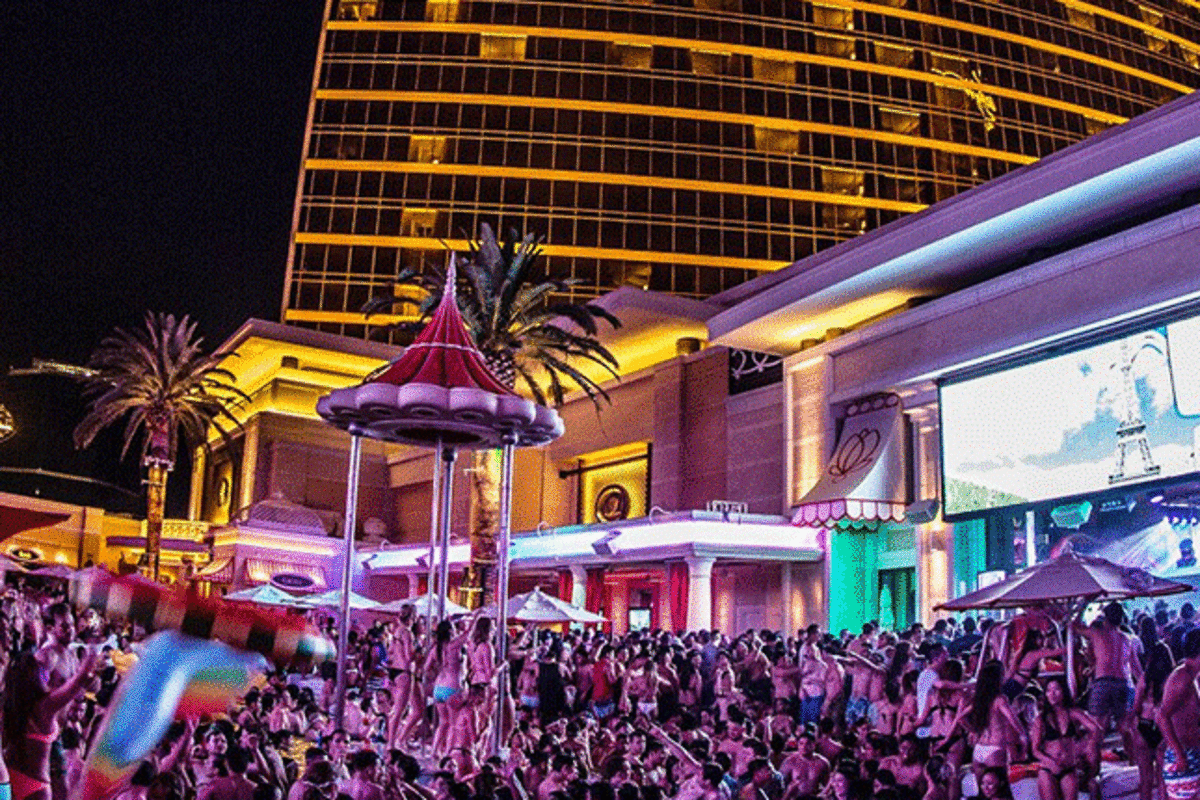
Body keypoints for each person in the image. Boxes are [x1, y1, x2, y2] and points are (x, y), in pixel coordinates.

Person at [4, 646, 98, 800]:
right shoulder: (44, 707)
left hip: (11, 777)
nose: (46, 675)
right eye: (42, 672)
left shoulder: (9, 706)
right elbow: (76, 683)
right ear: (34, 677)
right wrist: (91, 655)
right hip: (36, 786)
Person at [1031, 676, 1100, 800]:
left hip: (1068, 768)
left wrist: (1087, 745)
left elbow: (1095, 729)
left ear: (1064, 692)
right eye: (1048, 690)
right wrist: (1051, 763)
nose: (1052, 694)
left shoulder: (1073, 713)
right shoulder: (1041, 719)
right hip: (1048, 768)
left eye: (1056, 689)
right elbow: (1035, 750)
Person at [1157, 629, 1200, 800]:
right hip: (1184, 754)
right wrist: (1179, 754)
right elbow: (1161, 716)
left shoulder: (1192, 675)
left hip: (1191, 751)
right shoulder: (1182, 677)